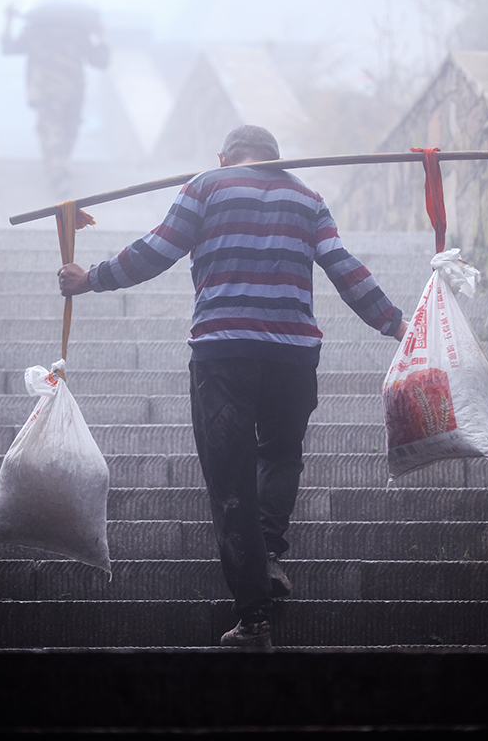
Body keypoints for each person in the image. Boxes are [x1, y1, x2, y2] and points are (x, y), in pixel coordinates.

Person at [58, 124, 407, 648]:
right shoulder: (308, 199)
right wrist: (399, 326)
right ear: (275, 159)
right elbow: (345, 269)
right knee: (282, 456)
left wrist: (92, 279)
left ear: (224, 156)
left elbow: (157, 249)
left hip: (224, 352)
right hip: (293, 355)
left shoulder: (206, 185)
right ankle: (265, 553)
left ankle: (255, 620)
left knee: (231, 482)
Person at [1, 1, 109, 197]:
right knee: (58, 134)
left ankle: (57, 171)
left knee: (59, 135)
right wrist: (100, 35)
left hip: (53, 93)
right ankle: (59, 176)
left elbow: (8, 47)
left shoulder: (35, 31)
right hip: (64, 93)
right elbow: (100, 61)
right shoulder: (76, 33)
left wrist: (9, 20)